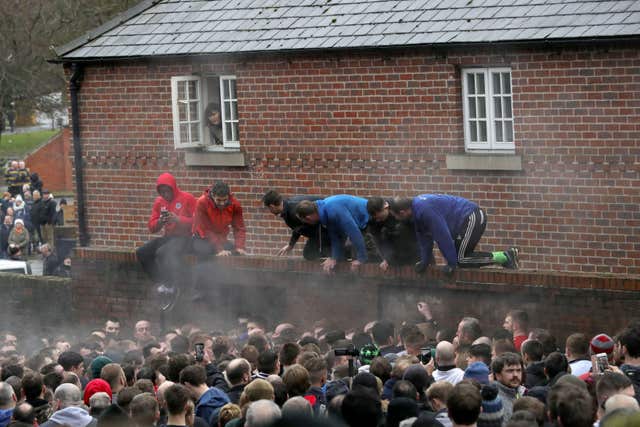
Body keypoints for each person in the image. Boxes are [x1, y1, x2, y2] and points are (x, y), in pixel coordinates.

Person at [389, 195, 519, 276]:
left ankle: (505, 257)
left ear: (402, 212)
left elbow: (442, 236)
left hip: (471, 216)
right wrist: (424, 262)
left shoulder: (424, 210)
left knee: (460, 259)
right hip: (463, 221)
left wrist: (451, 263)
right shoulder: (416, 214)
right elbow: (424, 240)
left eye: (396, 216)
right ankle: (504, 257)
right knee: (461, 258)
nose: (397, 219)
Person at [136, 173, 196, 304]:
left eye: (167, 191)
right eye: (161, 191)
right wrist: (160, 222)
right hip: (168, 237)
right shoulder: (159, 202)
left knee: (162, 252)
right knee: (142, 252)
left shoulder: (188, 198)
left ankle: (172, 286)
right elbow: (152, 228)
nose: (164, 194)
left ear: (173, 188)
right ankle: (162, 282)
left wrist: (178, 219)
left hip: (186, 238)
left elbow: (198, 222)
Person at [295, 195, 377, 274]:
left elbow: (354, 232)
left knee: (367, 256)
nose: (308, 223)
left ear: (308, 217)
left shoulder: (333, 210)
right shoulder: (325, 211)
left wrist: (361, 258)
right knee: (351, 255)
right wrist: (334, 258)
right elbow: (335, 237)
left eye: (305, 221)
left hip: (372, 217)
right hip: (360, 225)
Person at [261, 190, 330, 260]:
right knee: (310, 254)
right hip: (320, 230)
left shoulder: (293, 210)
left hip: (327, 227)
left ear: (272, 206)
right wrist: (291, 244)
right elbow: (298, 227)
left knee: (313, 253)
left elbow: (310, 224)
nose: (270, 211)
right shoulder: (287, 208)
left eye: (268, 208)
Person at [192, 181, 247, 259]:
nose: (222, 204)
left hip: (221, 239)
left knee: (235, 252)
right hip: (202, 238)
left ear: (228, 196)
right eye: (218, 200)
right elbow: (205, 229)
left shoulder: (235, 204)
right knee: (206, 252)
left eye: (225, 200)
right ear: (212, 196)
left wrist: (240, 247)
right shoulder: (202, 203)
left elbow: (239, 228)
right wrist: (219, 249)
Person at [366, 197, 419, 271]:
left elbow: (415, 234)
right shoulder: (373, 221)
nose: (378, 220)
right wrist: (386, 258)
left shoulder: (398, 209)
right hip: (395, 255)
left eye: (380, 217)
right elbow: (378, 241)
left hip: (412, 248)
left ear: (385, 207)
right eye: (376, 218)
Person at [491, 352, 525, 423]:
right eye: (510, 371)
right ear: (498, 375)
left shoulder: (520, 392)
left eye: (518, 370)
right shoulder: (495, 400)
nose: (515, 375)